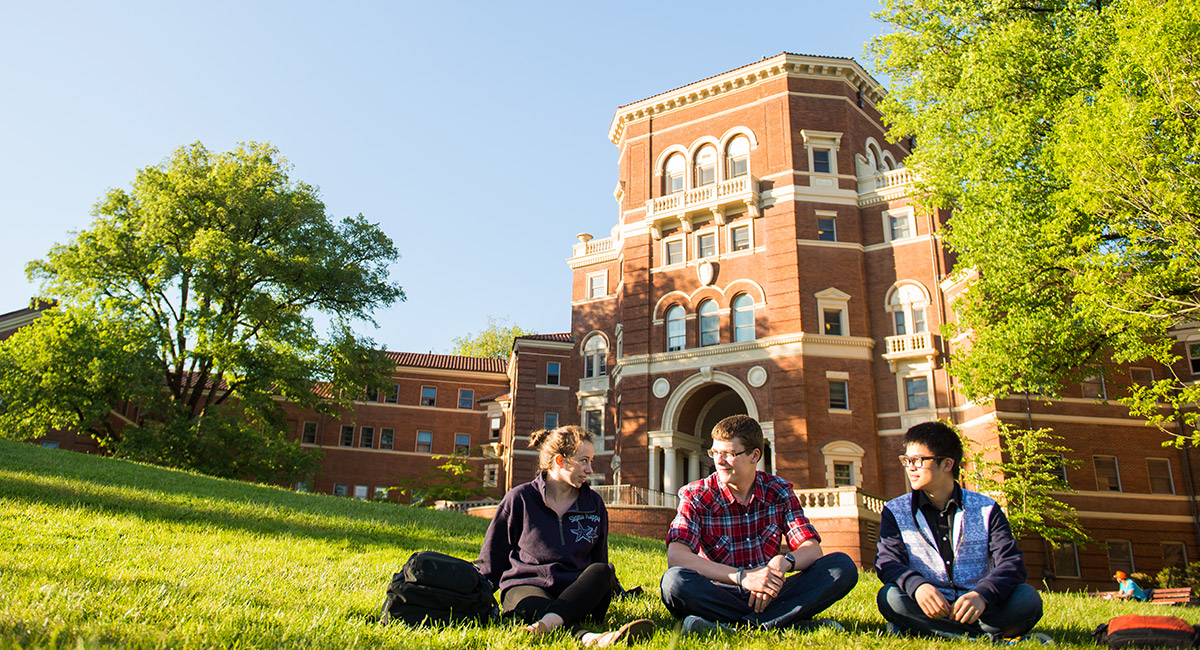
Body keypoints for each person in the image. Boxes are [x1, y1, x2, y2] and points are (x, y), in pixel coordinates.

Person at [659, 414, 858, 634]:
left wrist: (783, 563)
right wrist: (743, 577)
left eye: (729, 454)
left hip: (772, 591)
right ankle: (783, 621)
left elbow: (812, 549)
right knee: (674, 583)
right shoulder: (697, 494)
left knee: (842, 566)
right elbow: (677, 557)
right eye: (715, 453)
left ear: (754, 455)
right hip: (721, 591)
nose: (719, 461)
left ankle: (735, 626)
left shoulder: (778, 490)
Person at [476, 426, 655, 647]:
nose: (590, 469)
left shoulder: (594, 504)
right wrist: (471, 594)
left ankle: (548, 622)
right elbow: (493, 558)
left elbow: (598, 561)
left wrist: (613, 589)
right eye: (584, 461)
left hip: (578, 593)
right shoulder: (520, 499)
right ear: (560, 461)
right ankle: (589, 637)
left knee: (603, 570)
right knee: (525, 600)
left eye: (591, 461)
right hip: (528, 586)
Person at [876, 421, 1048, 642]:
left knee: (1028, 599)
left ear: (947, 464)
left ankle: (923, 630)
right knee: (890, 597)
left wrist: (983, 595)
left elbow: (1012, 564)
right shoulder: (895, 510)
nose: (910, 467)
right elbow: (888, 562)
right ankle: (991, 641)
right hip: (926, 605)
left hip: (980, 609)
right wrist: (917, 587)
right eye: (906, 460)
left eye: (918, 460)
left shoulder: (986, 509)